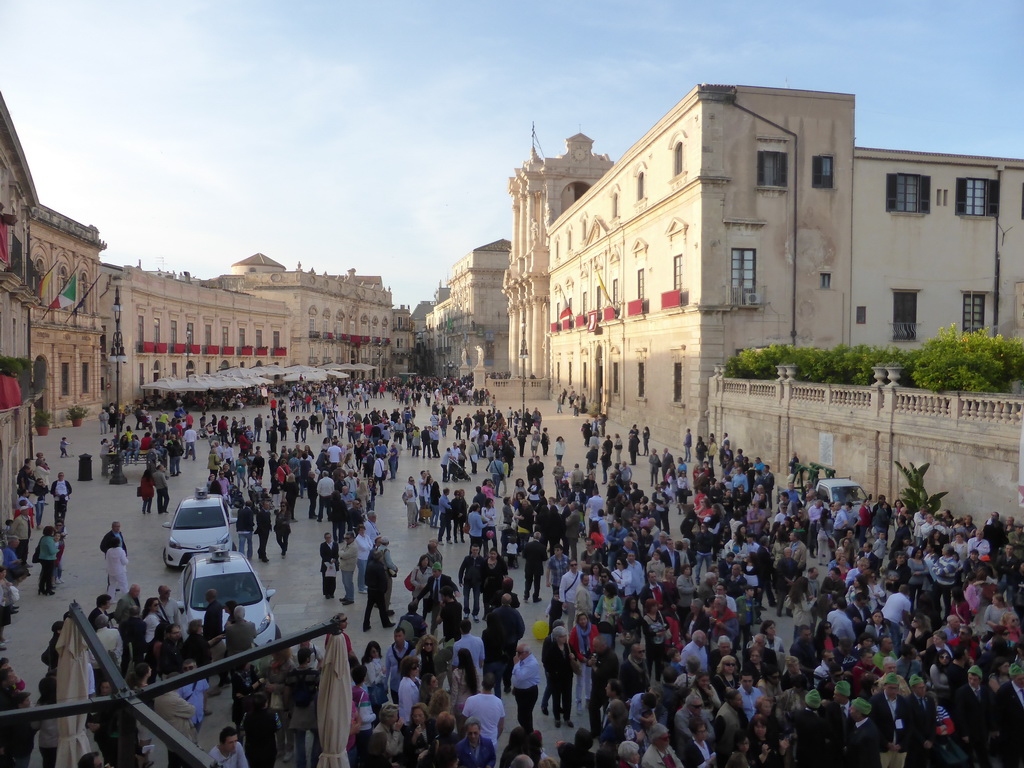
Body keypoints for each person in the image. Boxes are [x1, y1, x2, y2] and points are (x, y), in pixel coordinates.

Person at [242, 691, 282, 768]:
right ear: (266, 703)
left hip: (252, 751)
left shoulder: (246, 716)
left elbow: (242, 729)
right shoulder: (274, 715)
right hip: (269, 750)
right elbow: (279, 727)